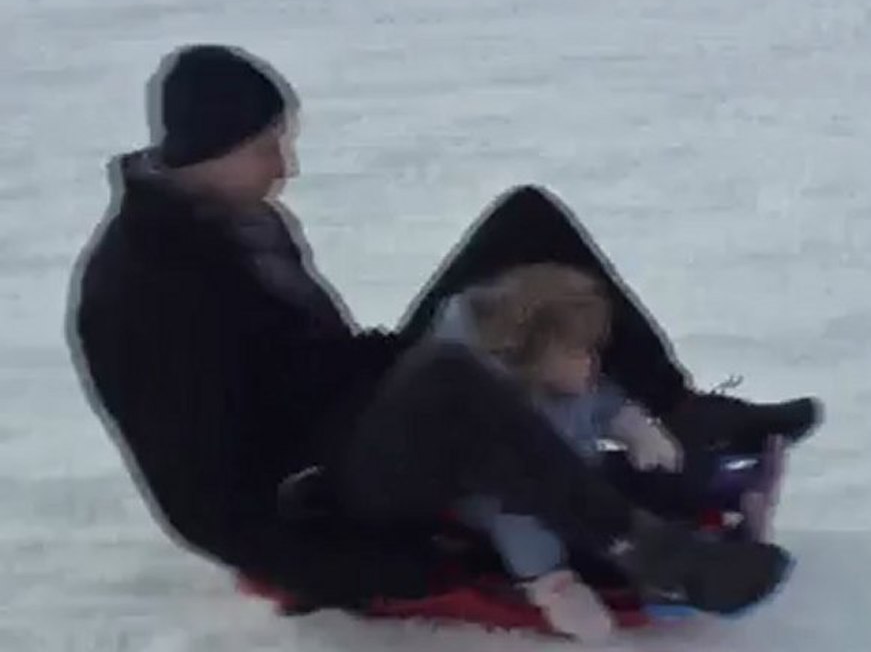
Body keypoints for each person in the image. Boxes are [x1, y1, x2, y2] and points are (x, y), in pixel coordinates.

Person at [66, 44, 822, 622]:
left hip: (358, 409)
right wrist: (371, 571)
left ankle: (676, 410)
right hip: (324, 496)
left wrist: (420, 352)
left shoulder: (230, 217)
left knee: (526, 225)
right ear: (209, 151)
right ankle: (649, 550)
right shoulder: (139, 293)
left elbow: (315, 360)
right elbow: (202, 507)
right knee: (446, 380)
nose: (285, 166)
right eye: (267, 147)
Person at [432, 262, 684, 641]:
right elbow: (515, 514)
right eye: (579, 351)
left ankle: (708, 493)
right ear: (534, 353)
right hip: (508, 512)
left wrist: (634, 426)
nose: (592, 362)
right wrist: (553, 585)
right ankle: (571, 580)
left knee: (637, 481)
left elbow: (599, 402)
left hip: (574, 479)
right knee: (554, 518)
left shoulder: (562, 383)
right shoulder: (503, 417)